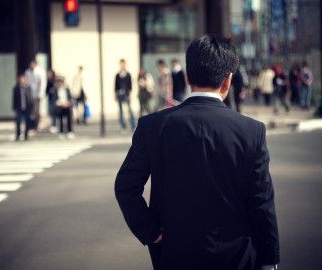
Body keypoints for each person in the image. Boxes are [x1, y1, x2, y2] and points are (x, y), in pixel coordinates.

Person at [115, 36, 280, 270]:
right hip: (236, 256)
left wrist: (150, 232)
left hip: (174, 252)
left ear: (188, 76)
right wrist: (269, 259)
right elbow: (262, 203)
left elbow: (125, 186)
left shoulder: (152, 126)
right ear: (228, 81)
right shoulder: (251, 131)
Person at [115, 59, 135, 131]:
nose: (122, 65)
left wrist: (129, 95)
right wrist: (116, 95)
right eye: (121, 64)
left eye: (123, 64)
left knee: (130, 110)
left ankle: (133, 125)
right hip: (120, 94)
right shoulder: (117, 75)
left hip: (126, 94)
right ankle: (123, 126)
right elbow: (116, 86)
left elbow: (130, 86)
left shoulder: (128, 74)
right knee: (120, 111)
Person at [25, 59, 46, 130]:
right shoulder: (27, 72)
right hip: (30, 94)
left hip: (37, 94)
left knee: (36, 110)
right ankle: (31, 125)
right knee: (31, 111)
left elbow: (43, 83)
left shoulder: (40, 71)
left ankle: (36, 125)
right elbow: (27, 83)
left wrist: (41, 93)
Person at [12, 74, 33, 141]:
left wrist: (32, 108)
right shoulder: (16, 88)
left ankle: (26, 136)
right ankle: (18, 135)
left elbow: (30, 98)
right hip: (19, 108)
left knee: (27, 122)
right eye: (21, 79)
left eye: (23, 79)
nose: (22, 80)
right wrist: (14, 107)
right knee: (18, 122)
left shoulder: (28, 88)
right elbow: (14, 99)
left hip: (27, 108)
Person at [46, 69, 57, 133]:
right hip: (51, 99)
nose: (49, 75)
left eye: (50, 74)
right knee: (52, 113)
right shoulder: (48, 81)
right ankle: (53, 125)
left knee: (55, 113)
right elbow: (46, 90)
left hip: (55, 99)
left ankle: (55, 125)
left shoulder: (55, 81)